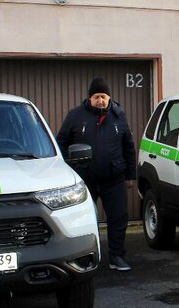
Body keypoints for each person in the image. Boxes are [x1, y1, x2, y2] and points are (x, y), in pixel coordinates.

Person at [57, 78, 137, 272]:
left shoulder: (119, 116)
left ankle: (117, 257)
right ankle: (82, 258)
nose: (100, 101)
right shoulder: (75, 116)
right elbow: (61, 143)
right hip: (85, 179)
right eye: (97, 97)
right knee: (80, 220)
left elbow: (128, 146)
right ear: (89, 98)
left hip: (114, 178)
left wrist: (130, 175)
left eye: (104, 97)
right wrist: (66, 171)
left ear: (109, 98)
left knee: (118, 218)